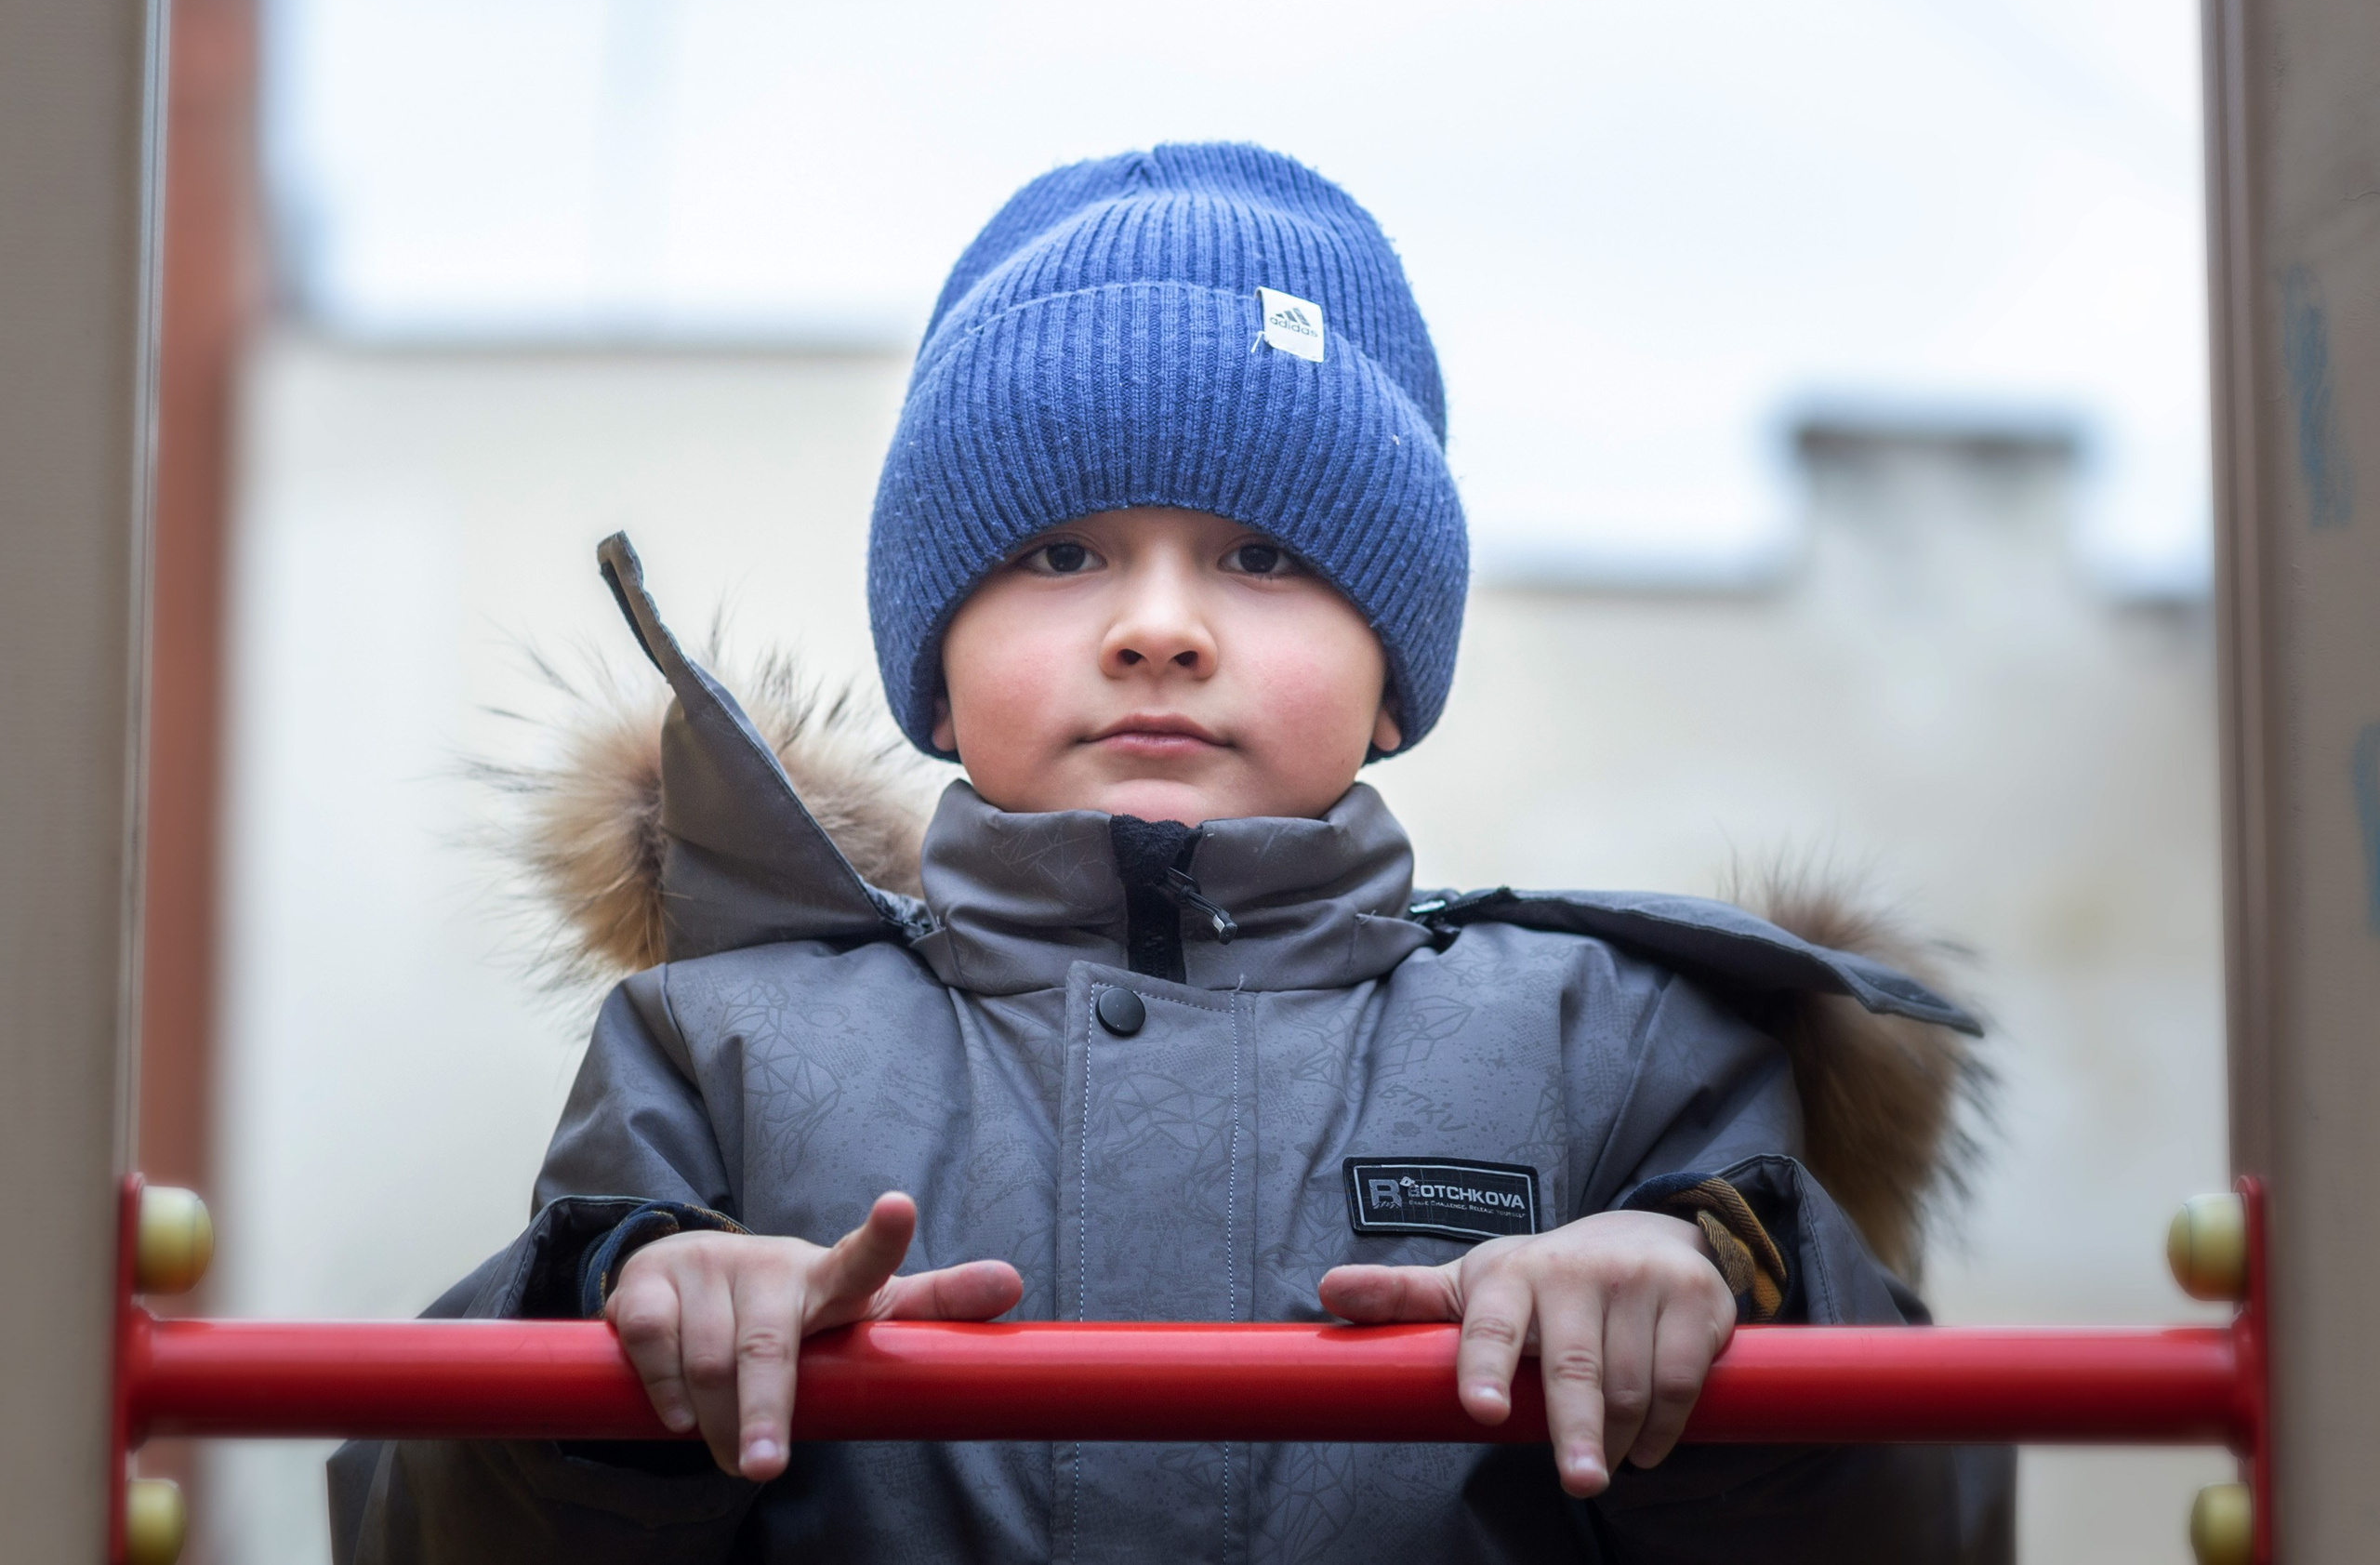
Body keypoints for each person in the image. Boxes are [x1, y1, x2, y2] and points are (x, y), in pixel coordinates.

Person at [331, 142, 2011, 1562]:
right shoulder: (720, 1043)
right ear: (933, 660)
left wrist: (1725, 1317)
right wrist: (615, 1349)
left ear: (1395, 677)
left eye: (1261, 554)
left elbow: (1930, 1505)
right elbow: (415, 1512)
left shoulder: (1626, 1044)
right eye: (1062, 551)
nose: (1155, 628)